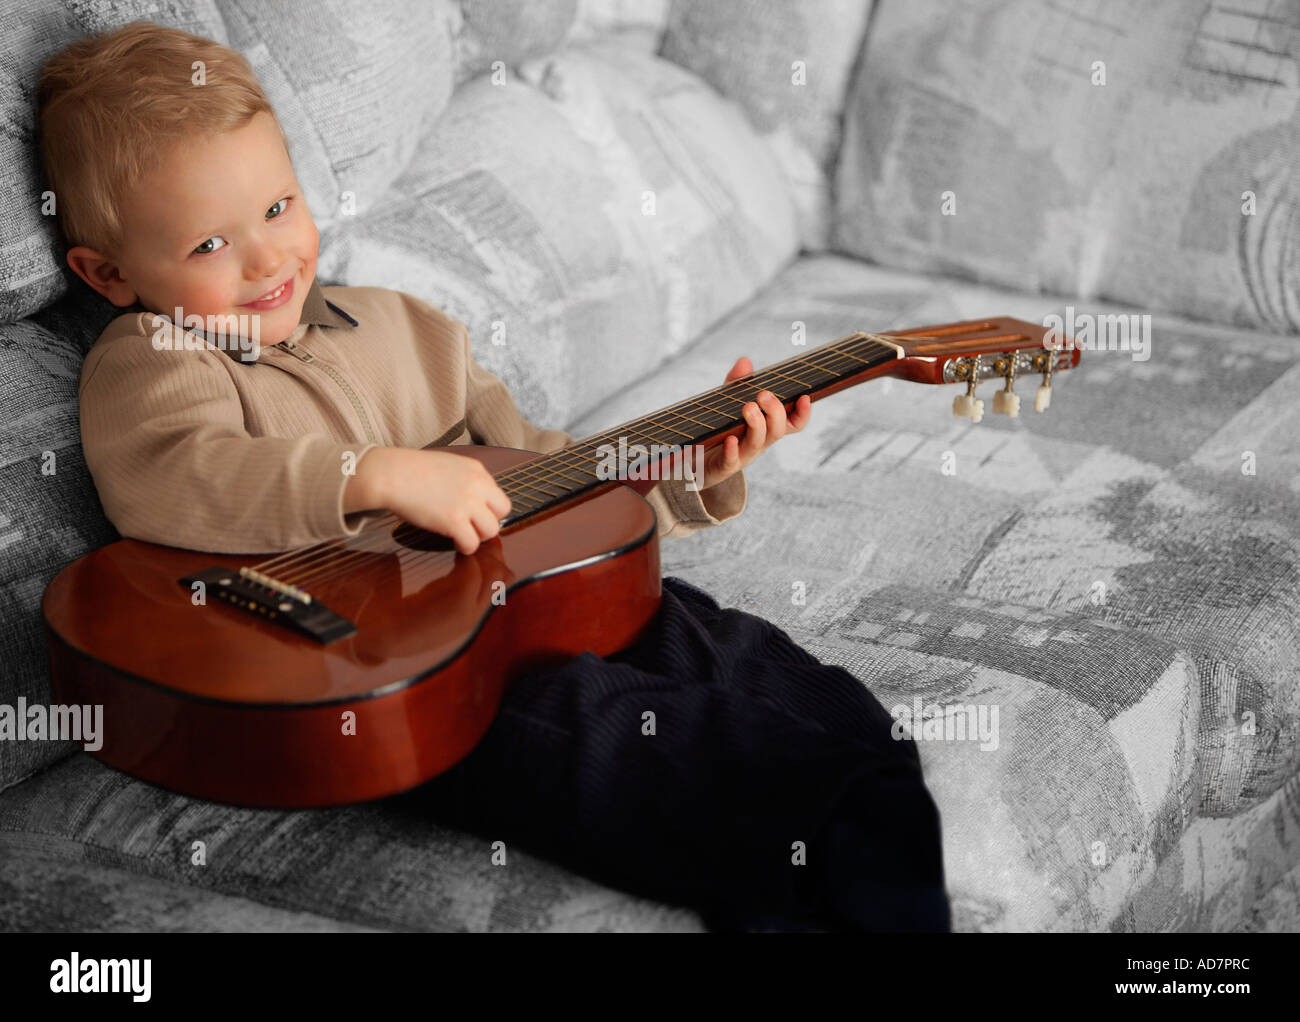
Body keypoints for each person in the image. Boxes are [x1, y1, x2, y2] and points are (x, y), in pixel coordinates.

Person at [38, 21, 950, 932]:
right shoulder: (153, 356)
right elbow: (174, 477)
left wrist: (685, 470)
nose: (268, 258)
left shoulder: (407, 328)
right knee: (769, 789)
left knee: (855, 733)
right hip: (429, 682)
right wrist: (373, 474)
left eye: (278, 209)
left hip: (551, 602)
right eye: (209, 246)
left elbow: (545, 472)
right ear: (107, 273)